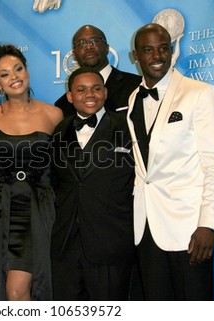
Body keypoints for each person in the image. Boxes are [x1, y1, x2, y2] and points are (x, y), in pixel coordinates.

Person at [127, 23, 214, 300]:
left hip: (190, 228)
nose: (158, 56)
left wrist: (208, 224)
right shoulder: (134, 98)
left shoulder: (200, 93)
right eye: (148, 50)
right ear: (135, 56)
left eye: (164, 48)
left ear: (173, 51)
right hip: (147, 227)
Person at [0, 44, 63, 300]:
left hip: (36, 211)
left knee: (17, 292)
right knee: (3, 290)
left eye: (18, 68)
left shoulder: (54, 114)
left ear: (27, 70)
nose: (14, 77)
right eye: (5, 74)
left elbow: (63, 171)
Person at [50, 67, 135, 300]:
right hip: (66, 242)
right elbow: (57, 181)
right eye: (81, 89)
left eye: (96, 88)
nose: (90, 94)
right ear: (70, 97)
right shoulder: (60, 130)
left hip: (110, 241)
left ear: (105, 93)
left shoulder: (127, 126)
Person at [55, 25, 141, 117]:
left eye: (94, 41)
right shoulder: (62, 105)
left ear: (107, 48)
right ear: (74, 54)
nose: (88, 47)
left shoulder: (137, 85)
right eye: (81, 43)